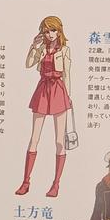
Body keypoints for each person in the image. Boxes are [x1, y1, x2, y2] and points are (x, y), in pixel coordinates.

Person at [16, 15, 73, 198]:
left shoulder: (65, 50)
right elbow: (28, 64)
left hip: (58, 90)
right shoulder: (41, 48)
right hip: (43, 89)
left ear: (59, 30)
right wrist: (34, 45)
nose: (50, 34)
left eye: (53, 30)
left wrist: (68, 97)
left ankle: (56, 184)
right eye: (47, 31)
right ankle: (26, 182)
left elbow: (67, 74)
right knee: (34, 138)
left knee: (59, 141)